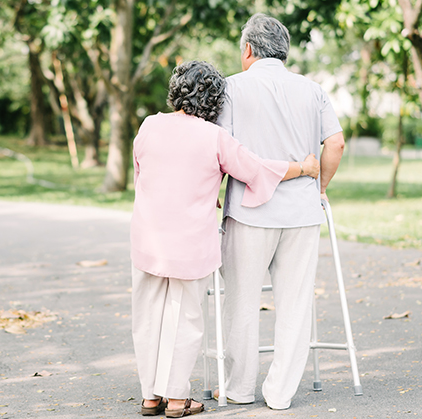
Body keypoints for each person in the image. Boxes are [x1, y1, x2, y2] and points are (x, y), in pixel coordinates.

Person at [131, 60, 320, 418]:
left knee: (148, 315)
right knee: (185, 318)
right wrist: (305, 168)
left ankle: (150, 396)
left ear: (175, 91)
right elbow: (256, 169)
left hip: (148, 239)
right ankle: (175, 399)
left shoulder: (149, 126)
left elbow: (142, 173)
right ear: (214, 101)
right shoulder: (213, 137)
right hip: (191, 245)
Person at [215, 14, 346, 410]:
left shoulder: (232, 88)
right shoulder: (312, 89)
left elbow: (218, 148)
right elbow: (336, 144)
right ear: (284, 51)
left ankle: (238, 389)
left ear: (248, 50)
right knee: (295, 302)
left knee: (240, 301)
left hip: (250, 213)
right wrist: (319, 187)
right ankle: (280, 393)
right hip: (302, 211)